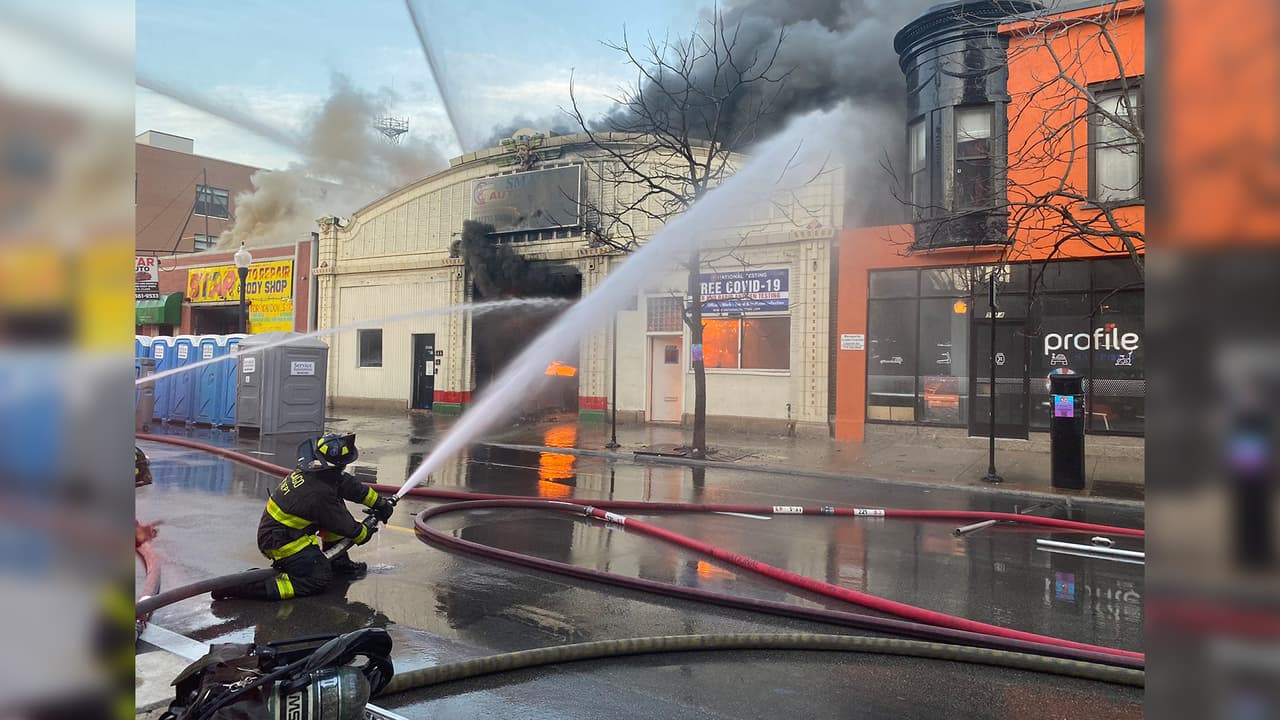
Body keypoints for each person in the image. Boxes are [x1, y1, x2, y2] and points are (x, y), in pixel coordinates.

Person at [214, 433, 394, 601]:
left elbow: (350, 486)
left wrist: (380, 504)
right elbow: (347, 527)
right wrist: (366, 530)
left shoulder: (319, 473)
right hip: (280, 540)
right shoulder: (318, 493)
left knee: (336, 504)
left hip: (289, 531)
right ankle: (244, 586)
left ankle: (338, 563)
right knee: (316, 579)